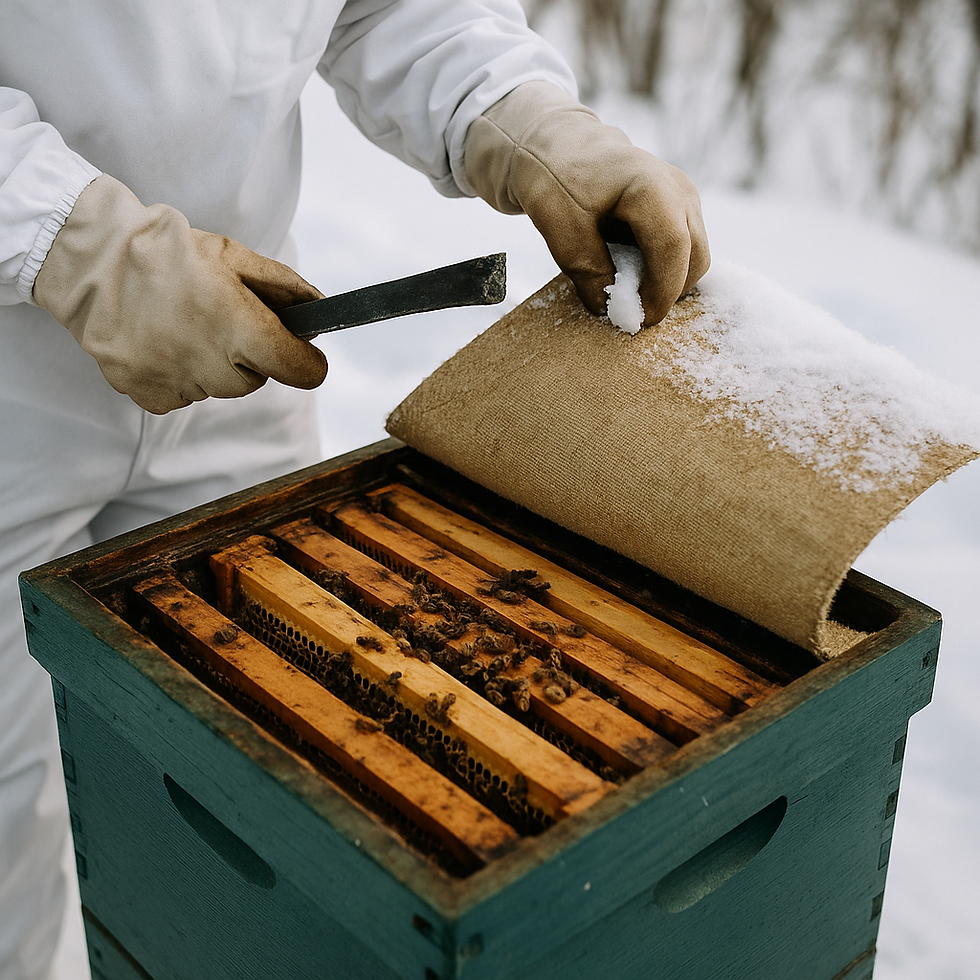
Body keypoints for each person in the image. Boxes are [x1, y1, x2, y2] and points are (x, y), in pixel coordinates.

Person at [0, 2, 709, 977]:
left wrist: (525, 119)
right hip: (8, 378)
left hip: (234, 340)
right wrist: (77, 243)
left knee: (281, 787)